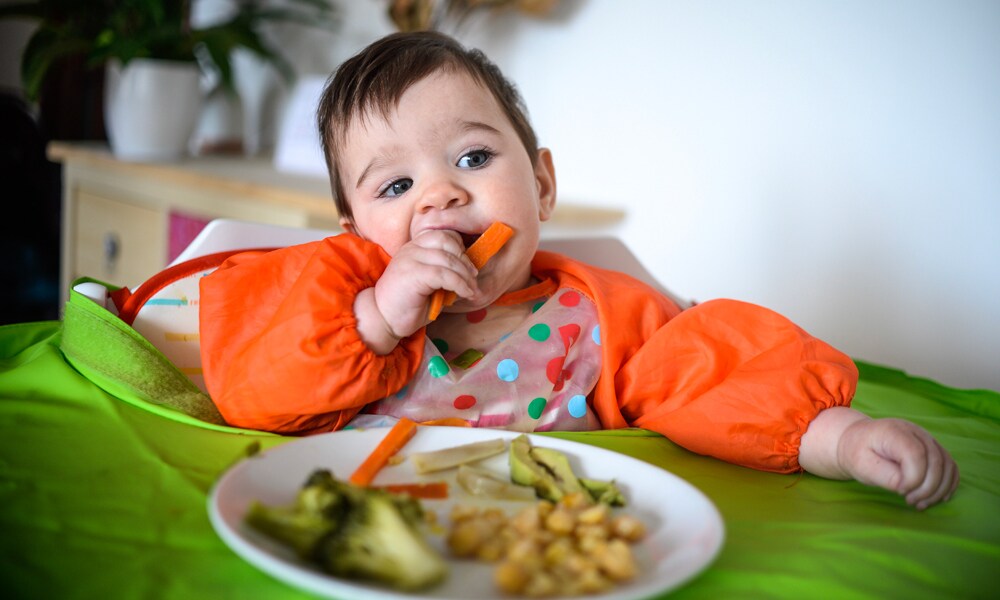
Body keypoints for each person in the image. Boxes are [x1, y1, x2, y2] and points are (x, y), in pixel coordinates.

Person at [199, 31, 958, 510]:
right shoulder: (337, 316)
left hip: (556, 547)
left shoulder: (604, 316)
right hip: (369, 537)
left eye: (472, 157)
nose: (441, 193)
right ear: (357, 232)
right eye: (395, 187)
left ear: (543, 187)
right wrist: (375, 318)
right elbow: (254, 393)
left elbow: (723, 377)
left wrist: (845, 437)